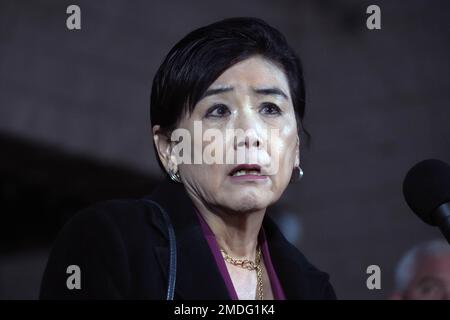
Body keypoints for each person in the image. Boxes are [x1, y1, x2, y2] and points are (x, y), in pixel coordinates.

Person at [40, 17, 336, 300]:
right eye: (219, 110)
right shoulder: (109, 242)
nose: (250, 134)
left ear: (295, 146)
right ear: (170, 148)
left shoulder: (312, 286)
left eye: (270, 108)